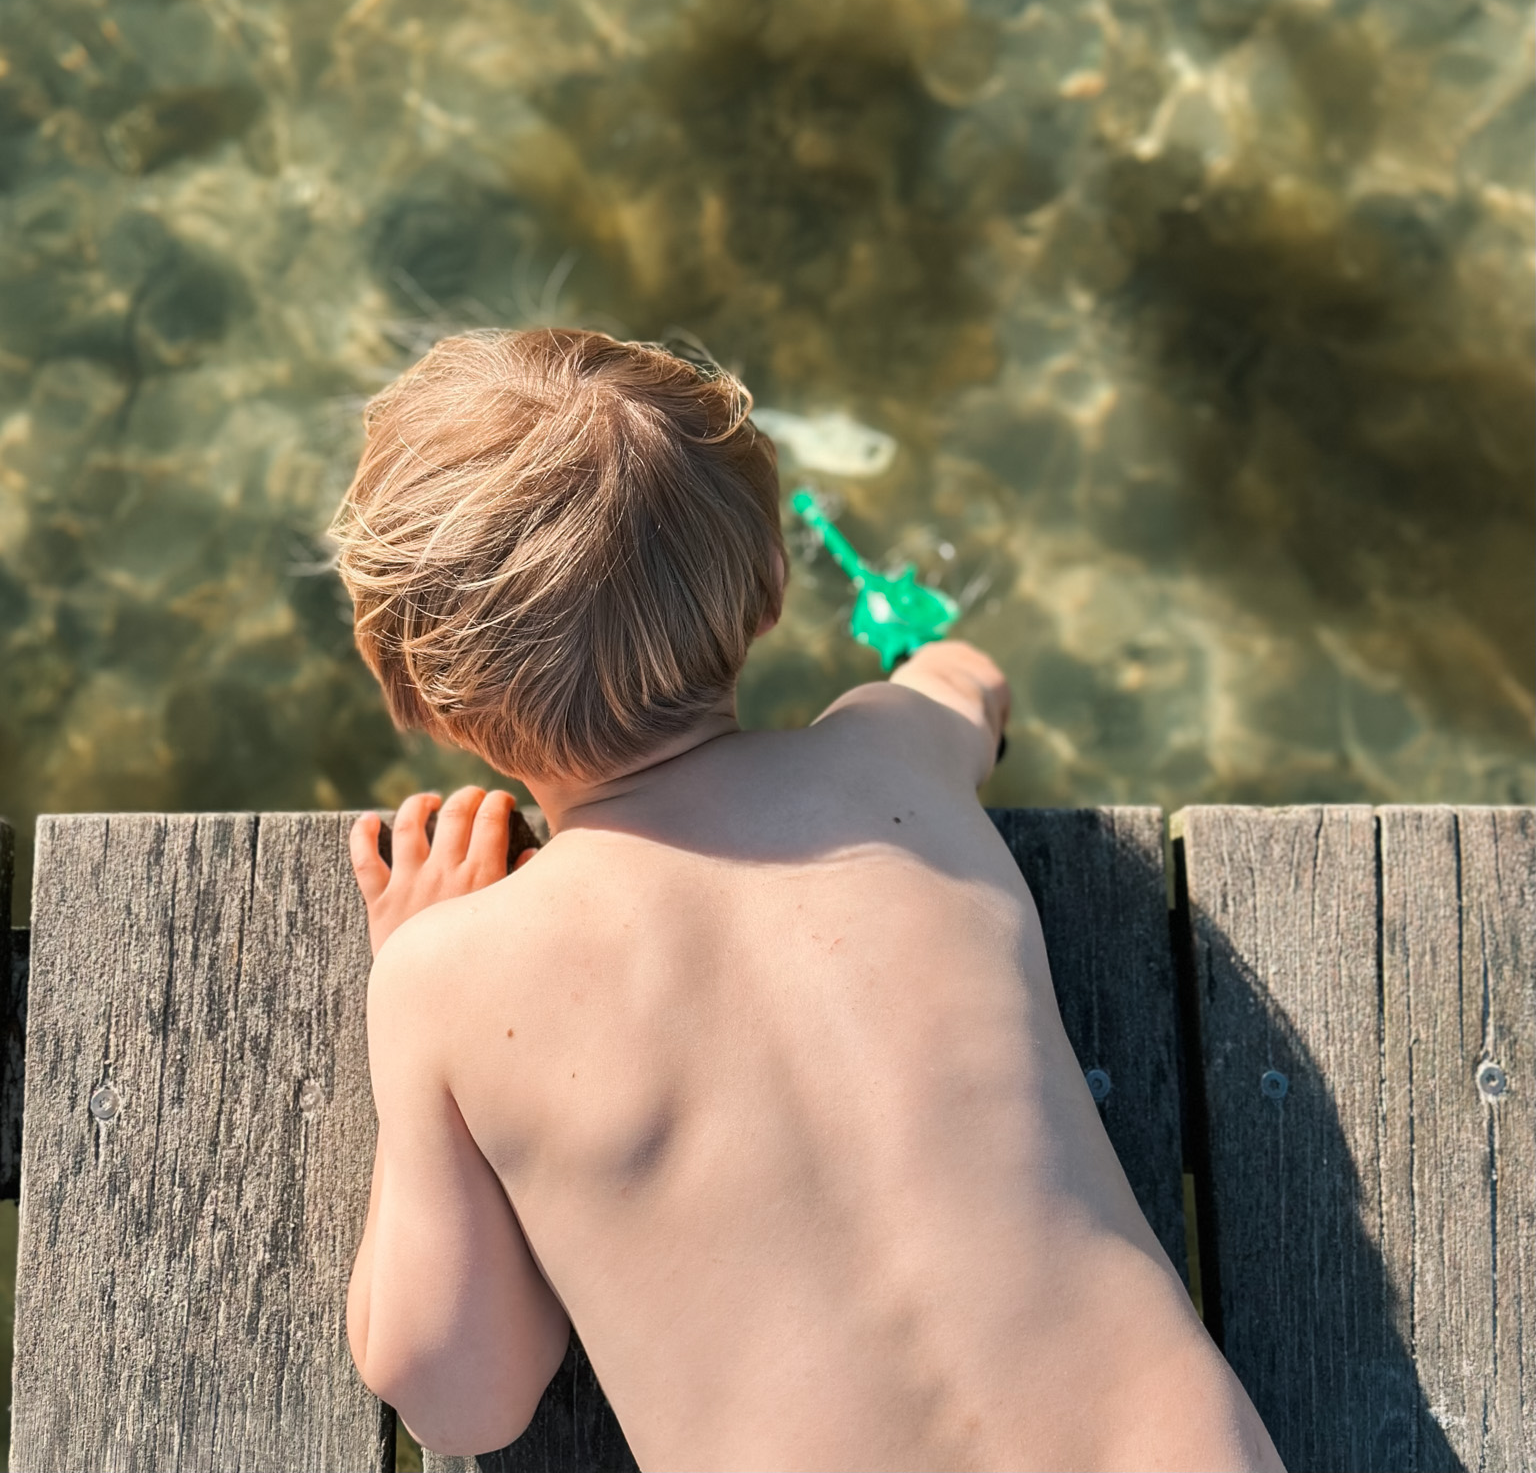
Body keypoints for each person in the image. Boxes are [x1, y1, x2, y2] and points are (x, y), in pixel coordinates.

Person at [334, 327, 1284, 1472]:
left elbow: (462, 1400)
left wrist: (417, 994)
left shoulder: (450, 974)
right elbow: (969, 683)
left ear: (424, 694)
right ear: (771, 589)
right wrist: (931, 660)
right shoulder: (891, 756)